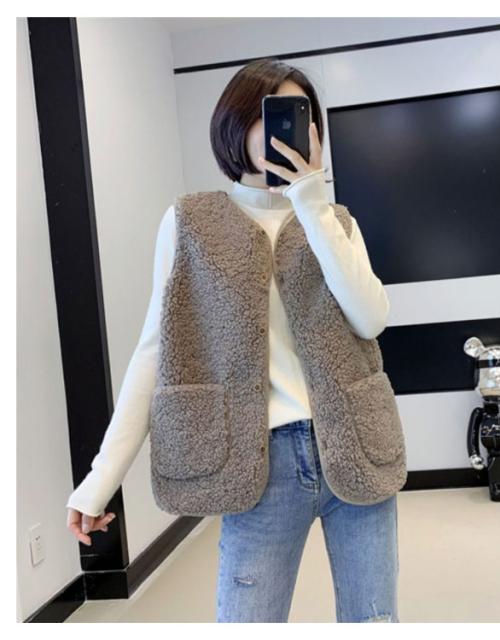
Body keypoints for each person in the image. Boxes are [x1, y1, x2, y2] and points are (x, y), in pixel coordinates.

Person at [66, 58, 399, 623]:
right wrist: (101, 478)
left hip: (355, 447)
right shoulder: (190, 222)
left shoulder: (336, 221)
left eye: (299, 118)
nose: (285, 132)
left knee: (376, 623)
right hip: (257, 464)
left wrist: (311, 203)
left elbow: (370, 319)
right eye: (269, 116)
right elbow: (156, 351)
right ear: (235, 125)